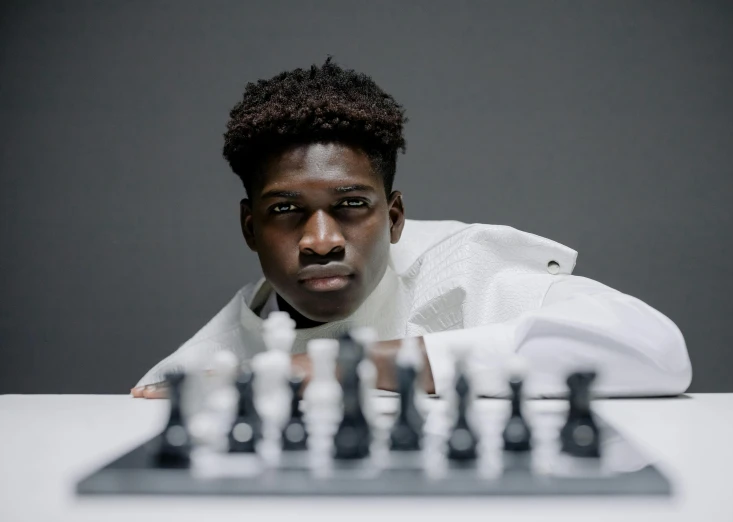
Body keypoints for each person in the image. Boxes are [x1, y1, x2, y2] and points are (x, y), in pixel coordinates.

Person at [132, 58, 691, 399]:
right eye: (285, 211)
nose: (321, 240)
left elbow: (660, 352)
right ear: (249, 227)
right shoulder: (209, 363)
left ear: (394, 218)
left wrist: (338, 365)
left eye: (350, 204)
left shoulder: (462, 270)